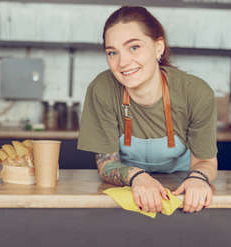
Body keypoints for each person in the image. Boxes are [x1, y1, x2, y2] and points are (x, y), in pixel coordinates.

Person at [77, 6, 218, 213]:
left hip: (180, 189)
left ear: (158, 47)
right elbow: (107, 164)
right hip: (128, 190)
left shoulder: (195, 92)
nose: (122, 62)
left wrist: (197, 179)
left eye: (134, 47)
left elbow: (206, 161)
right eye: (112, 52)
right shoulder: (102, 89)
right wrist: (137, 177)